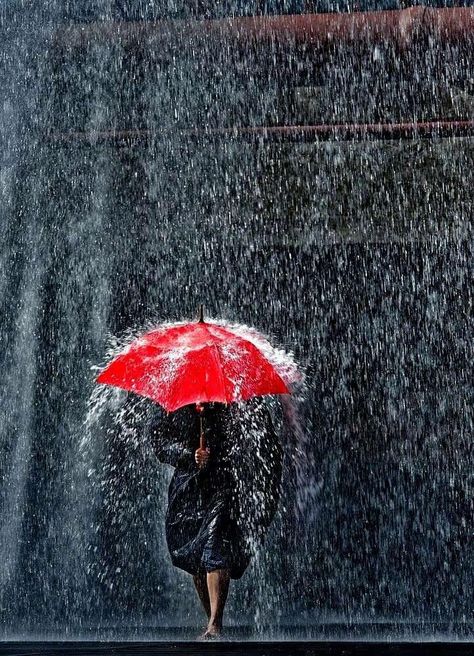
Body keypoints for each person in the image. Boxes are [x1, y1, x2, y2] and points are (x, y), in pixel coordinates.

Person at [147, 399, 283, 640]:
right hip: (188, 488)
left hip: (224, 481)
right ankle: (212, 619)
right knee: (195, 553)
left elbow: (258, 434)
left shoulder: (232, 394)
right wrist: (190, 454)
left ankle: (214, 624)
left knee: (215, 544)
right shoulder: (170, 401)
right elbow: (159, 442)